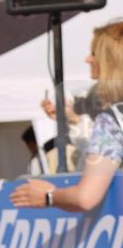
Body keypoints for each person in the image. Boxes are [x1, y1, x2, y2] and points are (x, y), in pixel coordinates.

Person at [12, 21, 123, 211]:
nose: (88, 59)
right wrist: (73, 119)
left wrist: (47, 195)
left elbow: (86, 197)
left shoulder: (113, 120)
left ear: (111, 61)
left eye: (95, 53)